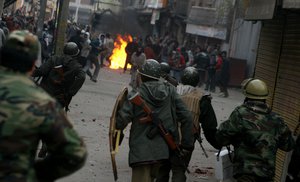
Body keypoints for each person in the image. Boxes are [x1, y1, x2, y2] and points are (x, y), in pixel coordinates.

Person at [0, 30, 87, 181]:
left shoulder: (53, 60)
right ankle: (47, 145)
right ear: (31, 61)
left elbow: (40, 71)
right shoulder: (42, 103)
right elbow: (75, 153)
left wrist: (38, 72)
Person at [116, 59, 194, 182]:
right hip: (163, 152)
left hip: (141, 152)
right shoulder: (171, 90)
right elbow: (187, 117)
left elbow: (121, 122)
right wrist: (187, 145)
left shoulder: (137, 93)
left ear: (142, 76)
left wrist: (117, 117)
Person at [206, 78, 295, 182]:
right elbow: (288, 145)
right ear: (265, 98)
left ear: (247, 96)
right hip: (267, 175)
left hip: (245, 174)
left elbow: (220, 139)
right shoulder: (277, 119)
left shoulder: (240, 114)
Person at [157, 67, 219, 182]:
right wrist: (218, 143)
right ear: (197, 81)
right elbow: (209, 127)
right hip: (185, 142)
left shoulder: (168, 91)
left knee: (162, 170)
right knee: (179, 170)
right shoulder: (202, 99)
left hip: (164, 137)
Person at [32, 42, 86, 111]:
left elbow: (41, 71)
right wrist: (70, 93)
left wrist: (28, 72)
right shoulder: (77, 66)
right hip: (60, 97)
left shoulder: (54, 59)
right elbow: (82, 77)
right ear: (76, 53)